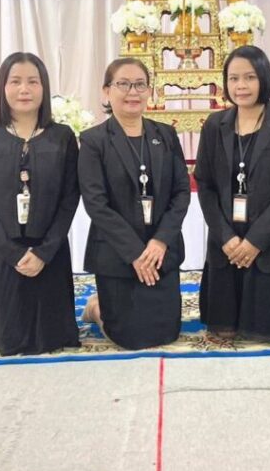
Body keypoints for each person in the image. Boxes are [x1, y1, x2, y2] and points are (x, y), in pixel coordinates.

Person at [0, 52, 81, 356]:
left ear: (44, 87)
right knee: (8, 338)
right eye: (15, 81)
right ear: (3, 87)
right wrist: (12, 252)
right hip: (2, 251)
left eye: (33, 81)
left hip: (49, 250)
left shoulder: (62, 137)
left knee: (53, 338)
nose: (24, 89)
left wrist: (44, 251)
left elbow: (70, 198)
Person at [194, 45, 270, 341]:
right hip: (227, 242)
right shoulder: (215, 125)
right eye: (233, 78)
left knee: (265, 332)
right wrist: (226, 237)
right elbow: (204, 184)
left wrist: (256, 240)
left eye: (249, 77)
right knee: (224, 331)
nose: (240, 86)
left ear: (264, 78)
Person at [78, 58, 191, 350]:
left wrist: (160, 242)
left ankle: (104, 303)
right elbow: (96, 204)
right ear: (106, 91)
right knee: (128, 338)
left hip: (160, 251)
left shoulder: (165, 135)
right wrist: (135, 254)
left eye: (140, 84)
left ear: (149, 91)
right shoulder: (93, 141)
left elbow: (181, 192)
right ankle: (97, 308)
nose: (133, 92)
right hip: (118, 254)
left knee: (167, 333)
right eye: (123, 84)